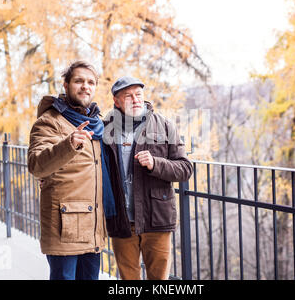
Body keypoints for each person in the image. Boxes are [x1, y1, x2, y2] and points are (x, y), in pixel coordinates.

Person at [27, 60, 115, 280]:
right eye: (79, 81)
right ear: (65, 85)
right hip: (65, 225)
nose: (85, 86)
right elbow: (37, 165)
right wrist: (68, 145)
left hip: (93, 223)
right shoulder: (49, 122)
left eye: (90, 82)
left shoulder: (96, 124)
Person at [102, 76, 193, 280]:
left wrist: (155, 164)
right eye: (128, 96)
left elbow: (185, 168)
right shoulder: (105, 127)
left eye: (139, 95)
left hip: (156, 219)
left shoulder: (165, 126)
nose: (135, 100)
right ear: (116, 101)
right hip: (121, 221)